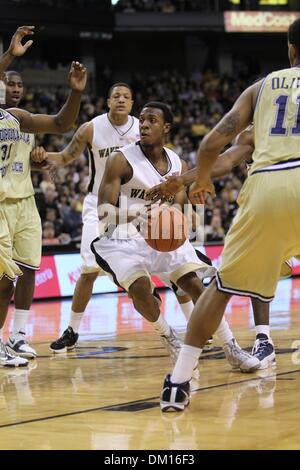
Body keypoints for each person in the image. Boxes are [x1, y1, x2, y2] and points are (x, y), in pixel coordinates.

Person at [160, 18, 300, 411]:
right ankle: (262, 336)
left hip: (270, 188)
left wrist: (197, 181)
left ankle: (179, 382)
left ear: (291, 51)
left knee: (220, 286)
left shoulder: (263, 88)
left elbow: (212, 146)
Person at [88, 101, 260, 370]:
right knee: (141, 290)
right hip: (122, 236)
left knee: (196, 287)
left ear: (166, 127)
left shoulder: (176, 163)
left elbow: (181, 210)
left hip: (162, 234)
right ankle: (169, 336)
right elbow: (103, 212)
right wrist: (134, 216)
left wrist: (194, 208)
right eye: (142, 120)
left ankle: (231, 346)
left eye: (152, 121)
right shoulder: (119, 159)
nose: (143, 125)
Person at [35, 83, 198, 353]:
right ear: (107, 101)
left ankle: (196, 325)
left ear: (133, 103)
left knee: (178, 262)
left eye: (126, 97)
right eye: (115, 96)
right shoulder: (92, 127)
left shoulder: (144, 125)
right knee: (90, 267)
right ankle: (73, 330)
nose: (121, 100)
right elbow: (64, 157)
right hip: (101, 206)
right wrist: (39, 156)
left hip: (144, 205)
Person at [147, 126, 292, 369]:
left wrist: (186, 179)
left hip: (277, 204)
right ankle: (263, 338)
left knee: (250, 271)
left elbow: (222, 159)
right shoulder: (253, 133)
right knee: (258, 269)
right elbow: (225, 161)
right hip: (271, 207)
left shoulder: (258, 130)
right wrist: (189, 179)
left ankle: (259, 340)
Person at [0, 26, 87, 367]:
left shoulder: (17, 118)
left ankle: (17, 337)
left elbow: (61, 123)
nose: (15, 88)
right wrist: (9, 55)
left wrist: (75, 93)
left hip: (24, 203)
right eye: (9, 82)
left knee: (25, 270)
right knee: (4, 278)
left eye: (19, 84)